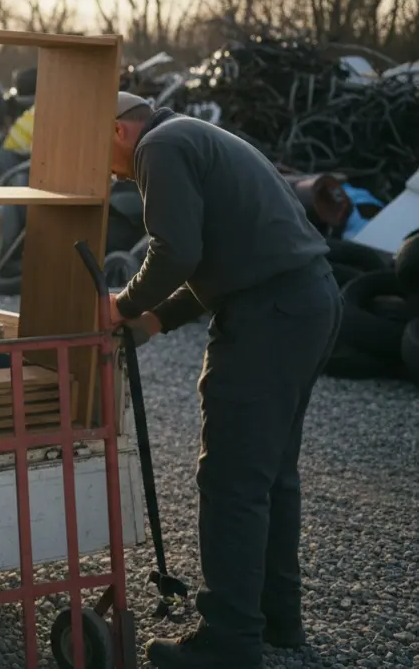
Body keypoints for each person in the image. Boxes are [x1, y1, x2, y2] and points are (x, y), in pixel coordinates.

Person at [106, 92, 343, 669]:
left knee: (232, 480)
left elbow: (177, 250)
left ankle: (229, 640)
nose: (107, 171)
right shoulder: (195, 135)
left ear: (117, 130)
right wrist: (156, 321)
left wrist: (122, 305)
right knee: (271, 475)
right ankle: (277, 619)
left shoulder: (158, 148)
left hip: (269, 318)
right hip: (309, 301)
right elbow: (219, 258)